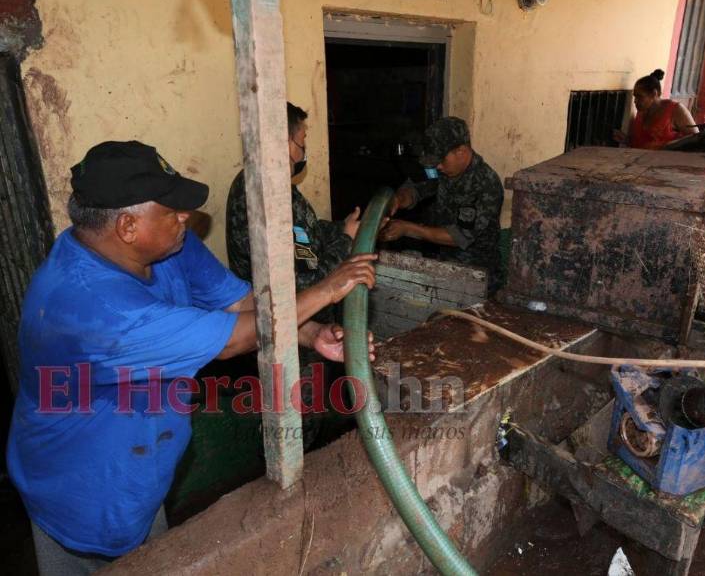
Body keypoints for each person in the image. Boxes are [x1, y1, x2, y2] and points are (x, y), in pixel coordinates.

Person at [6, 141, 373, 575]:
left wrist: (312, 333)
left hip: (140, 471)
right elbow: (235, 339)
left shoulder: (166, 248)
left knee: (149, 554)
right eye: (172, 209)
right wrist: (328, 289)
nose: (186, 218)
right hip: (81, 490)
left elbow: (239, 305)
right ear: (127, 226)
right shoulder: (92, 308)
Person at [226, 102, 371, 325]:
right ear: (284, 142)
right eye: (301, 140)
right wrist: (345, 240)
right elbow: (307, 284)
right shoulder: (269, 197)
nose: (303, 149)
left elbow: (302, 231)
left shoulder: (267, 180)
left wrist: (341, 227)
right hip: (294, 325)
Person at [379, 116, 504, 293]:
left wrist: (408, 229)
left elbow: (459, 236)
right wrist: (398, 199)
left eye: (440, 160)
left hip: (477, 277)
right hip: (443, 265)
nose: (436, 166)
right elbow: (418, 185)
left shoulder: (485, 184)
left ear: (461, 151)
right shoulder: (443, 170)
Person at [614, 69, 699, 150]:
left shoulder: (676, 110)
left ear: (654, 94)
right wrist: (626, 140)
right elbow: (641, 142)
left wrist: (663, 147)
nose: (635, 101)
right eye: (635, 97)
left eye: (640, 97)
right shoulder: (641, 112)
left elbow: (696, 140)